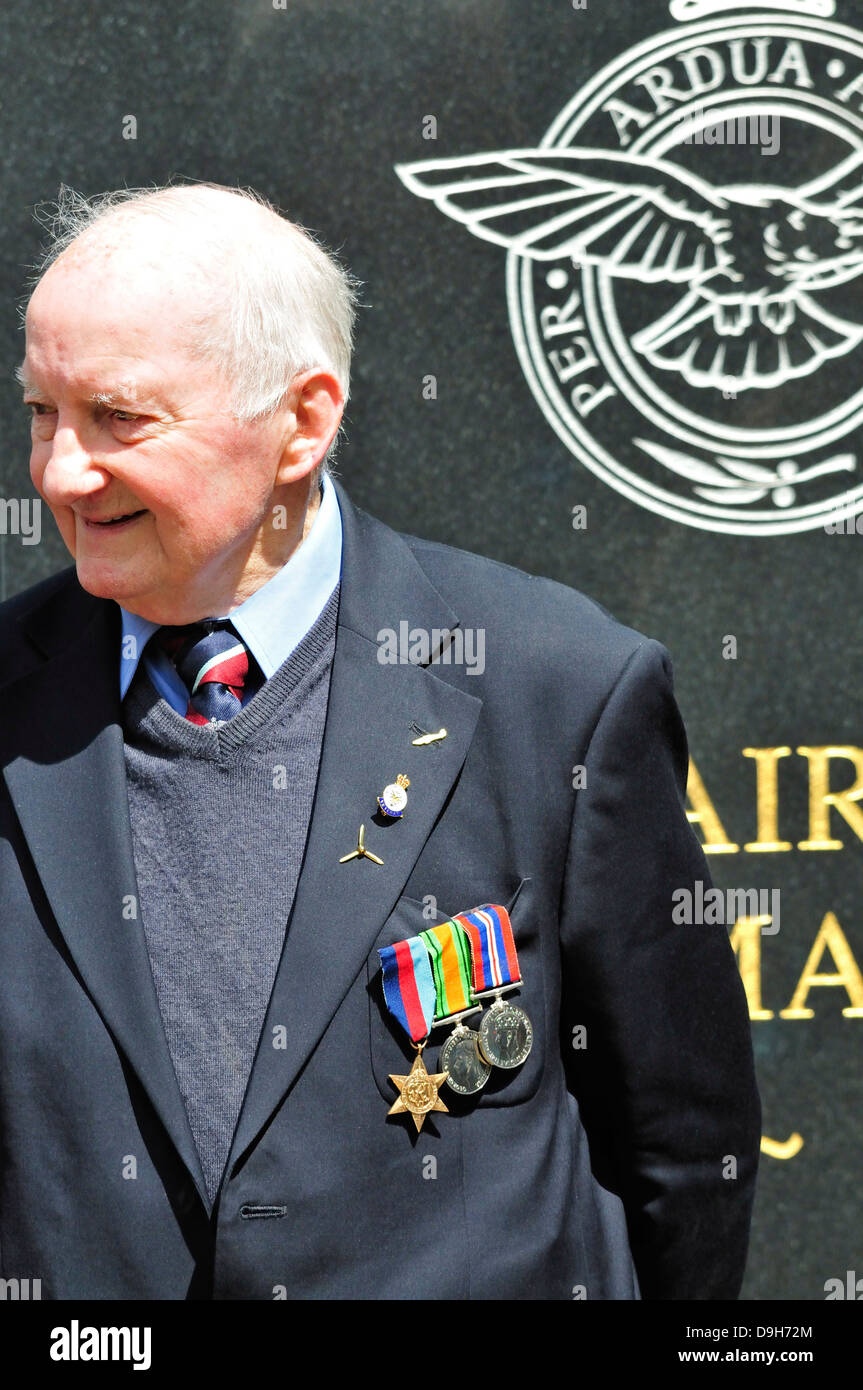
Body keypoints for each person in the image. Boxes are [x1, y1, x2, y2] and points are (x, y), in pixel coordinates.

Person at [0, 182, 760, 1300]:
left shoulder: (556, 687)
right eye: (40, 413)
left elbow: (683, 1151)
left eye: (118, 417)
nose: (60, 472)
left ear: (301, 423)